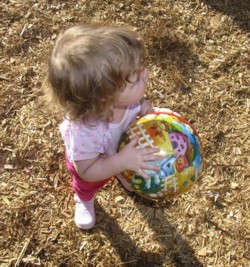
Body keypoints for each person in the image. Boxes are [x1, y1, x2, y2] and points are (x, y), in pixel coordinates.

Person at [44, 24, 163, 230]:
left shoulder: (127, 100)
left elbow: (136, 105)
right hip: (91, 162)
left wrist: (144, 107)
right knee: (88, 185)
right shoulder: (86, 133)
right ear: (106, 100)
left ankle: (122, 169)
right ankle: (84, 199)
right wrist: (120, 161)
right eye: (136, 77)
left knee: (121, 164)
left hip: (117, 149)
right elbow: (87, 171)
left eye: (140, 67)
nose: (146, 73)